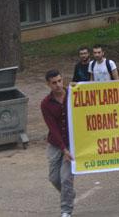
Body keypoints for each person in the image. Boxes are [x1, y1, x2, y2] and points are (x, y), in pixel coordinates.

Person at [41, 70, 75, 217]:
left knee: (66, 178)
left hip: (72, 143)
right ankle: (69, 194)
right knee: (54, 178)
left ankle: (66, 210)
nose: (58, 85)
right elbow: (53, 128)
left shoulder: (73, 95)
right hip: (56, 144)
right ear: (48, 84)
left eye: (60, 81)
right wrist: (63, 149)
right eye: (54, 83)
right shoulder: (46, 103)